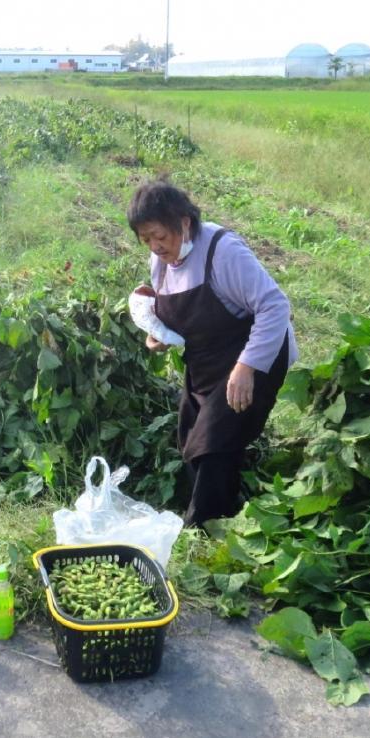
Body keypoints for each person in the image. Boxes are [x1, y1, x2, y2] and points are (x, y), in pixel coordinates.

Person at [127, 180, 298, 525]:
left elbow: (275, 305)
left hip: (253, 354)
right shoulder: (160, 261)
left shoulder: (223, 251)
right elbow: (176, 309)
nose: (155, 246)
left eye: (160, 236)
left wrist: (246, 367)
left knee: (214, 444)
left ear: (184, 221)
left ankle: (204, 529)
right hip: (206, 359)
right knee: (191, 433)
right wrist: (158, 335)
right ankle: (225, 513)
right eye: (146, 239)